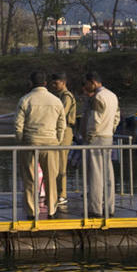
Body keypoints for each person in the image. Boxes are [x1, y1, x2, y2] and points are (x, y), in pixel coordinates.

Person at [15, 71, 65, 218]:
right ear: (45, 83)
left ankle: (32, 211)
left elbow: (18, 125)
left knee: (29, 178)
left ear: (31, 83)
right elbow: (62, 123)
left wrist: (21, 140)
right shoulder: (56, 100)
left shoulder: (25, 100)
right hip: (50, 143)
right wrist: (58, 139)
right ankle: (51, 210)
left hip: (30, 142)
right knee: (51, 178)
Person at [82, 71, 120, 217]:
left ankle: (95, 208)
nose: (85, 86)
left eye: (86, 83)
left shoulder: (98, 97)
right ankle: (110, 207)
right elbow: (117, 116)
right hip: (108, 136)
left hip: (97, 138)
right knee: (108, 174)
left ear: (93, 82)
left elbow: (94, 120)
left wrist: (89, 136)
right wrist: (111, 129)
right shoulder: (112, 95)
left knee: (95, 175)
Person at [49, 72, 76, 208]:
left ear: (63, 82)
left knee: (61, 164)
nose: (54, 85)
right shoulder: (58, 97)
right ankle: (58, 191)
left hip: (65, 131)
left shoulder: (67, 96)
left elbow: (61, 114)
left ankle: (62, 194)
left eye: (56, 83)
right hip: (58, 131)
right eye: (53, 83)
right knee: (56, 163)